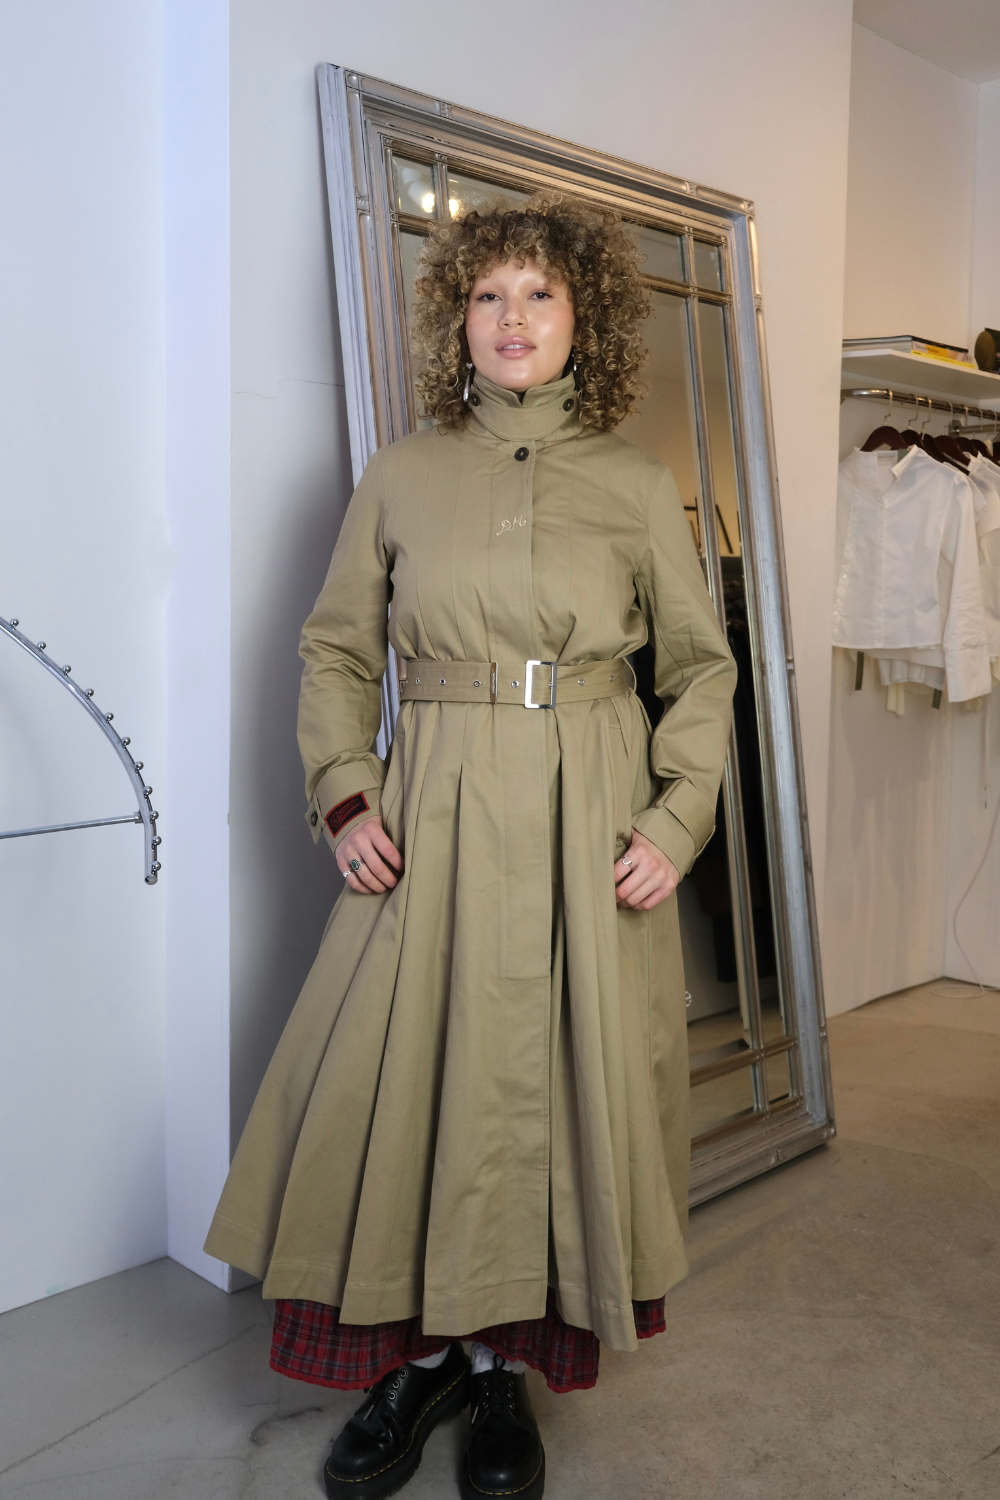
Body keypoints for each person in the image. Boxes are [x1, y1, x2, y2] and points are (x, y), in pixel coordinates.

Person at [205, 193, 737, 1500]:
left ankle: (505, 1375)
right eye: (489, 293)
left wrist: (676, 817)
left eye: (540, 293)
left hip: (588, 818)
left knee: (555, 1089)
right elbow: (337, 649)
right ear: (458, 316)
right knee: (410, 1081)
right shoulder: (403, 474)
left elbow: (701, 667)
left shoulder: (633, 485)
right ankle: (426, 1357)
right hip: (433, 811)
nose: (513, 317)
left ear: (584, 318)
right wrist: (347, 794)